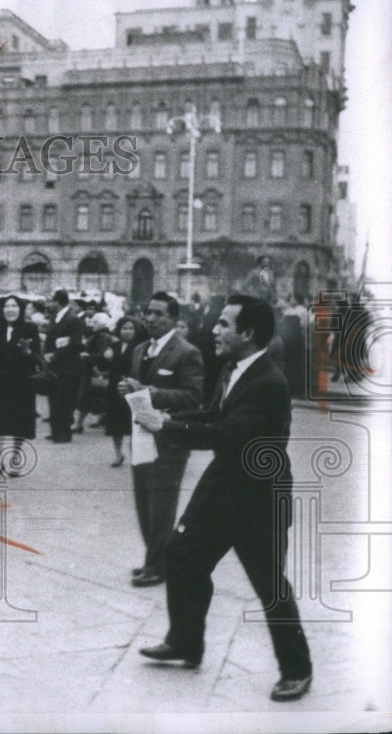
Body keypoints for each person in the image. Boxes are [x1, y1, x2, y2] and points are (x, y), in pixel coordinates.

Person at [136, 295, 313, 702]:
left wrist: (164, 425)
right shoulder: (234, 368)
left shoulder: (269, 382)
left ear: (247, 333)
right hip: (222, 484)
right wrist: (171, 420)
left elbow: (226, 434)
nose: (213, 331)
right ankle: (184, 642)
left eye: (223, 325)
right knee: (182, 553)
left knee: (270, 585)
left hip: (258, 497)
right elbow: (213, 414)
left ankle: (297, 670)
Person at [117, 292, 203, 587]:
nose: (150, 318)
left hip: (170, 441)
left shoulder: (186, 352)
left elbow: (193, 396)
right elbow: (137, 389)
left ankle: (157, 566)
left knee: (161, 507)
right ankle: (155, 559)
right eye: (148, 312)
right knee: (144, 502)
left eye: (159, 314)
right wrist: (128, 390)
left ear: (174, 319)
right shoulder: (140, 349)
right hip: (142, 437)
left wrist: (152, 392)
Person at [0, 295, 40, 478]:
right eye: (7, 306)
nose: (10, 309)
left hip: (22, 381)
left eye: (14, 306)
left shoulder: (30, 328)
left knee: (20, 424)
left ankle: (15, 462)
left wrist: (28, 352)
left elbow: (38, 359)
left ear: (20, 309)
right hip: (0, 381)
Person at [99, 316, 147, 468]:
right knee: (115, 424)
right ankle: (118, 453)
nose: (127, 332)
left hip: (132, 388)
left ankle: (135, 454)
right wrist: (105, 357)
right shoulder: (113, 346)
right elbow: (103, 367)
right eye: (124, 328)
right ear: (119, 330)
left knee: (133, 423)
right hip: (115, 389)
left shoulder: (140, 347)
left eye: (130, 328)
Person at [44, 289, 84, 443]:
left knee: (65, 400)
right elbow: (49, 338)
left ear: (58, 302)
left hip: (68, 366)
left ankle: (64, 433)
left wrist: (55, 355)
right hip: (54, 365)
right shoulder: (56, 317)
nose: (49, 304)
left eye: (51, 301)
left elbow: (76, 343)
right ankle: (56, 431)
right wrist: (47, 353)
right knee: (54, 398)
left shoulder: (73, 319)